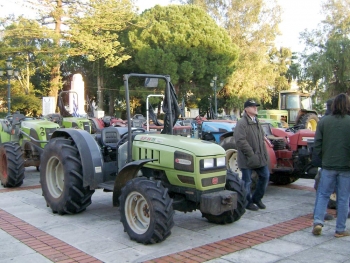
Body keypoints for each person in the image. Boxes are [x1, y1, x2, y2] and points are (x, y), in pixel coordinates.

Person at [312, 93, 350, 237]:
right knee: (343, 198)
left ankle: (317, 222)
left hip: (327, 165)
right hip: (346, 167)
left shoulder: (324, 121)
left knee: (323, 195)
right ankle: (340, 229)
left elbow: (317, 144)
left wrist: (324, 158)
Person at [234, 99, 270, 211]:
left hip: (259, 157)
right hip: (247, 158)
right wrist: (251, 154)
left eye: (256, 106)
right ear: (246, 109)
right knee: (247, 181)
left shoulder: (257, 121)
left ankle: (257, 198)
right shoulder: (242, 123)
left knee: (265, 176)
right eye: (252, 106)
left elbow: (261, 136)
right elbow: (240, 140)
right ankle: (247, 202)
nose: (255, 108)